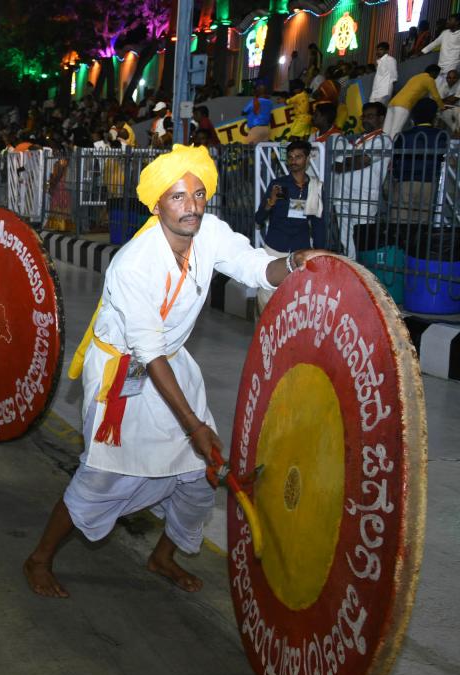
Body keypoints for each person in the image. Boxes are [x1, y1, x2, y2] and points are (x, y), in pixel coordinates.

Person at [23, 145, 328, 598]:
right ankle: (39, 558)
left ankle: (163, 556)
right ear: (157, 203)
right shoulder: (134, 264)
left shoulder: (210, 233)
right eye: (179, 197)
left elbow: (254, 267)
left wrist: (293, 261)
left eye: (199, 195)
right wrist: (194, 425)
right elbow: (148, 352)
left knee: (198, 476)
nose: (192, 207)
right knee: (105, 476)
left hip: (171, 364)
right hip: (125, 370)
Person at [254, 140, 325, 313]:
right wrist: (270, 203)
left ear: (307, 159)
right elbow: (259, 218)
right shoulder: (280, 185)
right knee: (267, 294)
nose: (293, 161)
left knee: (299, 295)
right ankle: (265, 333)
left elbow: (318, 223)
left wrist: (319, 251)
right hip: (275, 247)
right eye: (291, 157)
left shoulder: (315, 187)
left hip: (300, 250)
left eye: (298, 157)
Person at [331, 102, 392, 260]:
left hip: (364, 198)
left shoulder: (384, 140)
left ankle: (362, 270)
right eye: (364, 116)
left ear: (381, 118)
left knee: (361, 237)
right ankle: (352, 267)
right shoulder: (357, 140)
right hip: (342, 195)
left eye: (370, 116)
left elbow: (363, 161)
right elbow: (336, 165)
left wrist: (349, 162)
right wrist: (352, 162)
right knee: (346, 239)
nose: (365, 120)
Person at [390, 99, 449, 225]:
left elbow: (395, 159)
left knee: (400, 221)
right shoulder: (441, 135)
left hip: (405, 182)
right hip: (429, 183)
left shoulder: (404, 136)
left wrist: (395, 174)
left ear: (414, 115)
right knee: (422, 223)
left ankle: (400, 244)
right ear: (434, 116)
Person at [384, 64, 443, 136]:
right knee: (396, 130)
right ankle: (391, 147)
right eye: (437, 74)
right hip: (403, 105)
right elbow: (435, 96)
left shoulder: (415, 77)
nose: (436, 77)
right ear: (434, 72)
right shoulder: (429, 79)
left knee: (386, 131)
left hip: (392, 103)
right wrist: (442, 107)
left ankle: (382, 146)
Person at [421, 14, 460, 90]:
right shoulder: (445, 33)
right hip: (440, 66)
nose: (447, 21)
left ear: (457, 22)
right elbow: (435, 43)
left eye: (450, 20)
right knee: (436, 88)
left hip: (453, 66)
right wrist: (421, 52)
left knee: (448, 89)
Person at [438, 69, 460, 133]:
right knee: (441, 115)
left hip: (457, 107)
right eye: (449, 78)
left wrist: (446, 100)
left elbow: (453, 100)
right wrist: (450, 98)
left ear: (458, 78)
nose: (451, 80)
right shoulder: (444, 85)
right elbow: (439, 100)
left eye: (454, 78)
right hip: (448, 107)